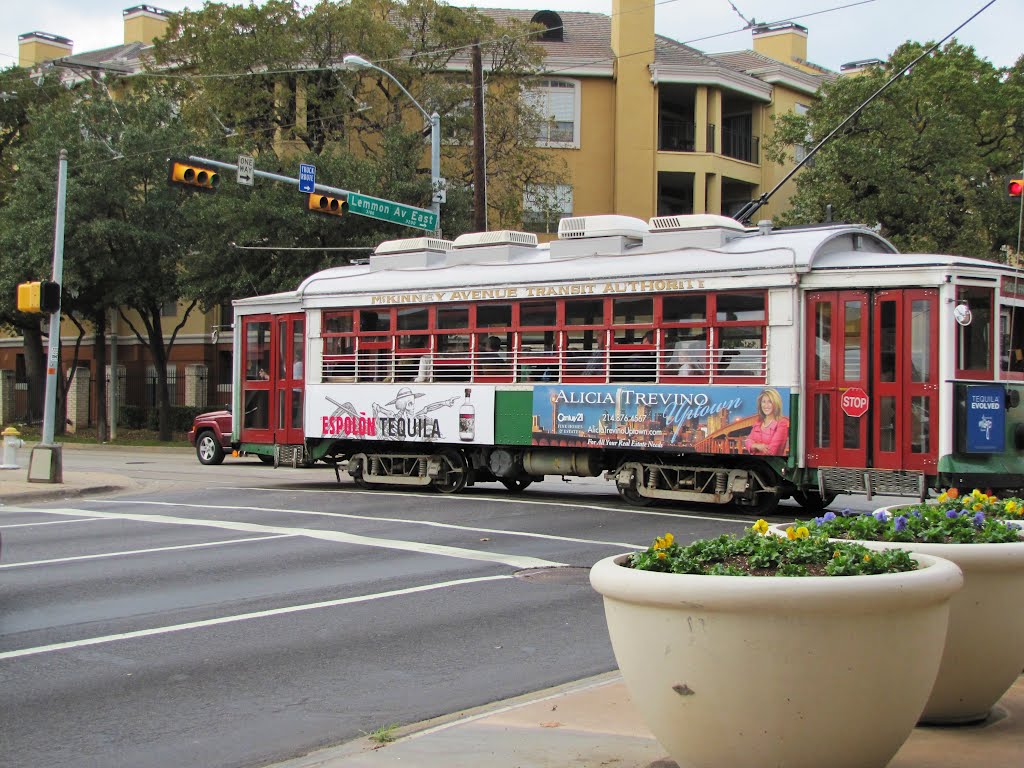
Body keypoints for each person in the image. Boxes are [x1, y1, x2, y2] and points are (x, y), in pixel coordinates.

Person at [746, 388, 790, 455]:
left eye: (770, 402)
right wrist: (758, 446)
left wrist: (753, 445)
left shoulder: (781, 424)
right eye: (763, 402)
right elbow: (747, 441)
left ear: (776, 404)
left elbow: (771, 451)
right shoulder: (758, 423)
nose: (766, 405)